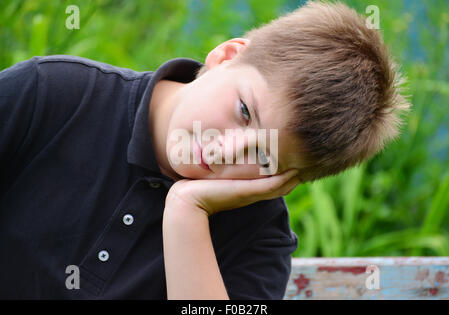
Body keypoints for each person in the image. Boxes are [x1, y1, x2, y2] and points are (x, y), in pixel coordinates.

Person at [0, 1, 409, 299]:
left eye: (264, 158)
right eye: (244, 112)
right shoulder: (49, 95)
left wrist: (185, 213)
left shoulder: (260, 240)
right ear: (227, 56)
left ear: (285, 184)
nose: (225, 151)